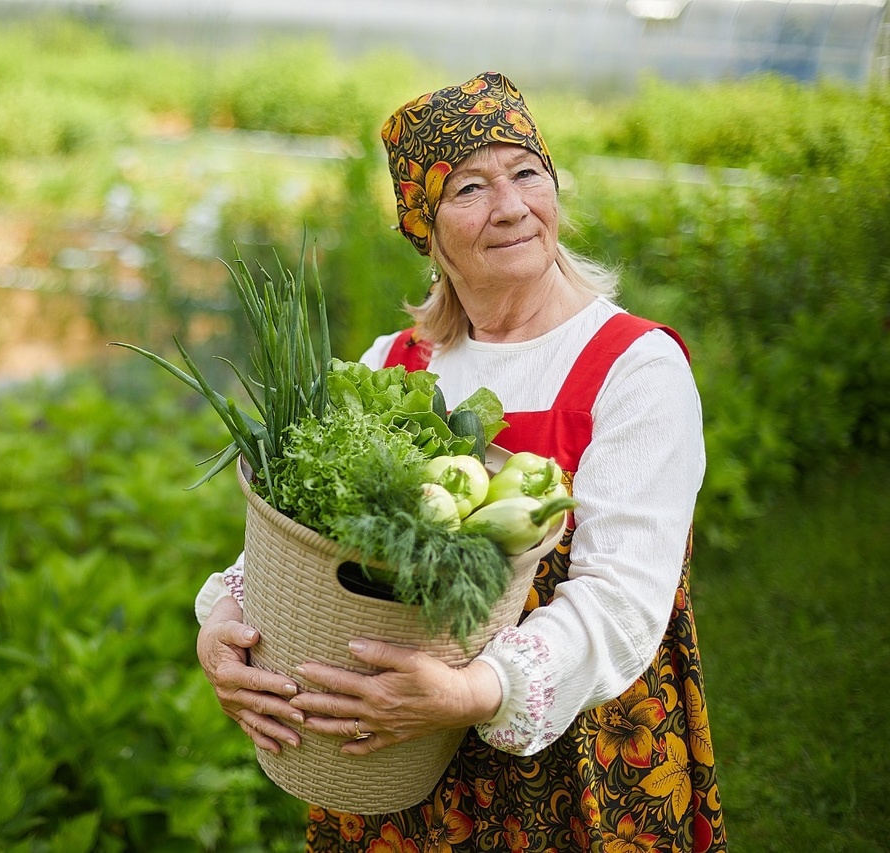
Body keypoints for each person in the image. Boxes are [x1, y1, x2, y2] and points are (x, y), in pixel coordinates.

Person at [194, 71, 726, 851]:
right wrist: (224, 623)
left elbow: (621, 601)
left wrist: (472, 689)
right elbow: (300, 544)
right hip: (388, 754)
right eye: (469, 187)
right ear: (426, 230)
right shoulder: (395, 363)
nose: (511, 207)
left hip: (568, 761)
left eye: (527, 174)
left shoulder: (631, 367)